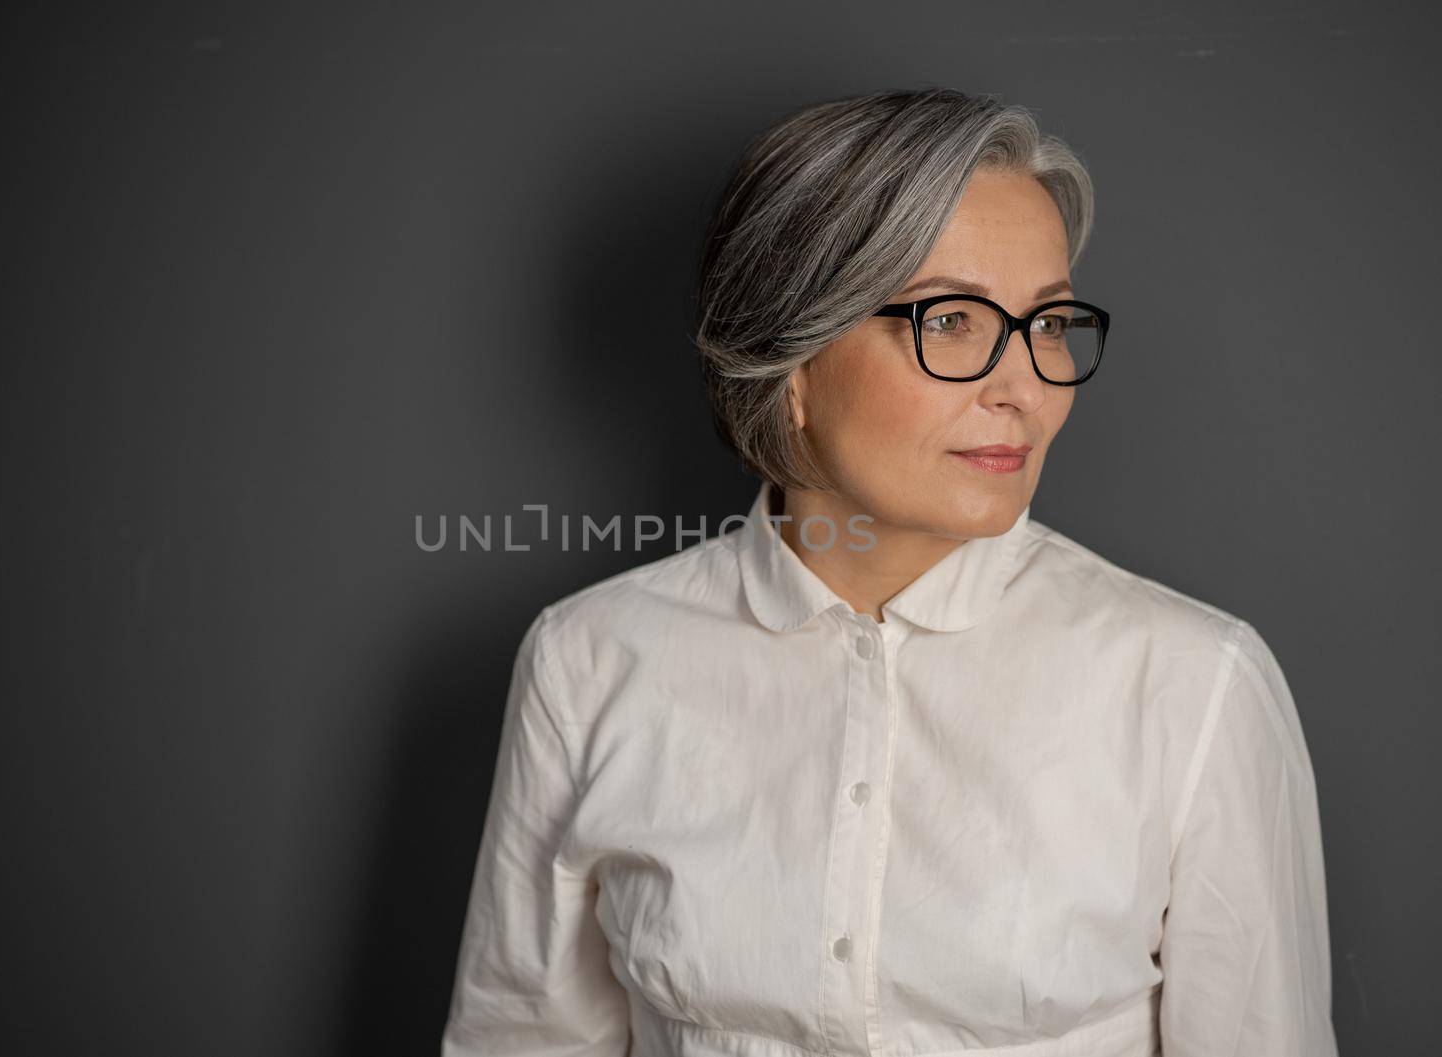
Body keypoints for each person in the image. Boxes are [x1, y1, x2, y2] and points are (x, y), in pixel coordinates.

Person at [439, 87, 1338, 1057]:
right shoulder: (587, 665)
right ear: (789, 357)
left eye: (1045, 324)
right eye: (951, 320)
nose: (1023, 386)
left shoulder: (1193, 687)